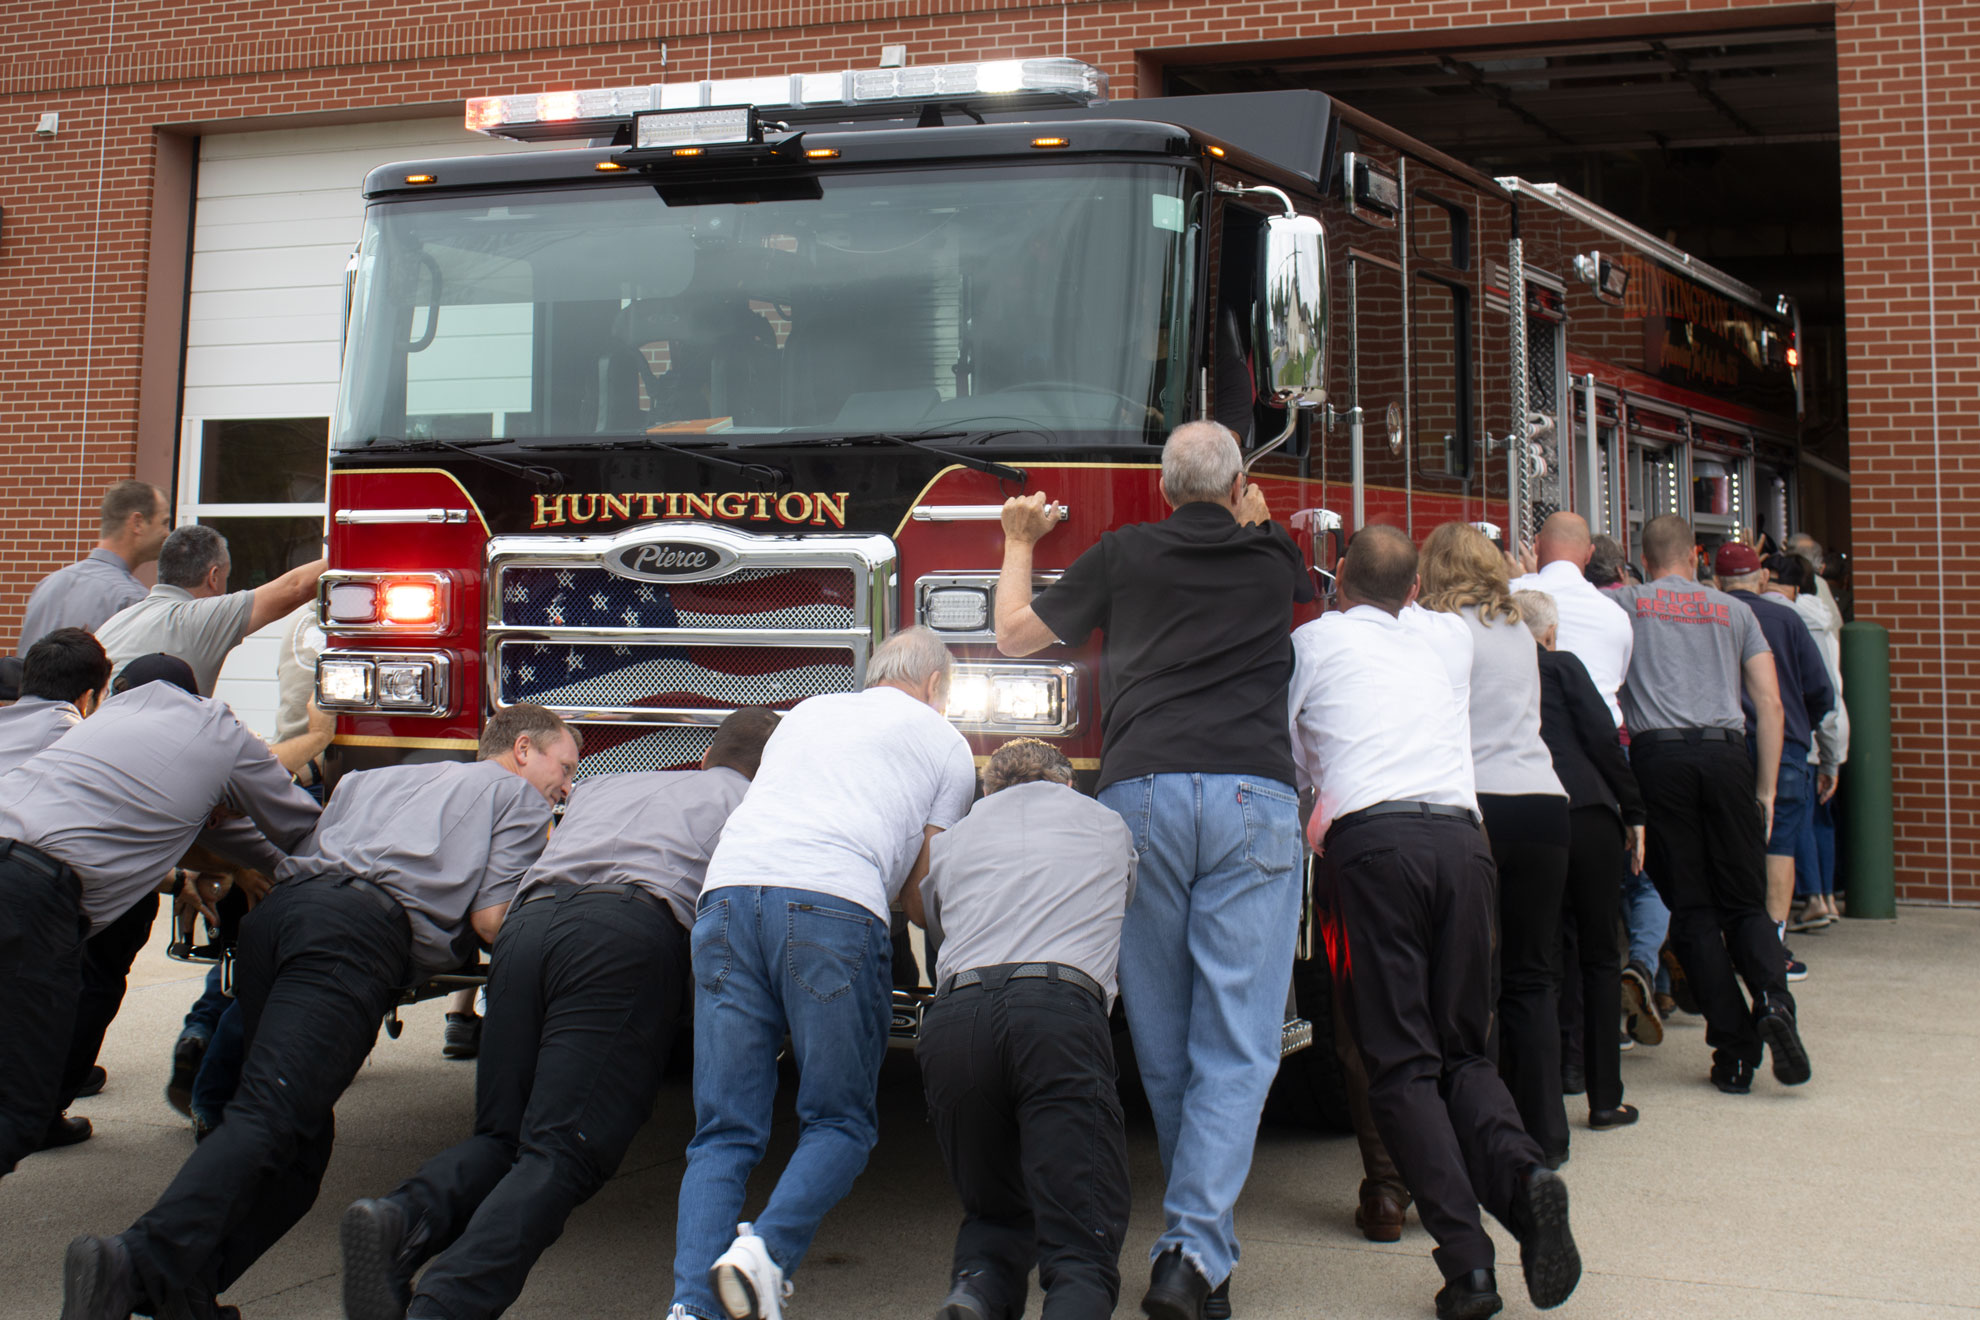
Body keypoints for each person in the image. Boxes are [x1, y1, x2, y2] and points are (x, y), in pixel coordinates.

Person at [62, 704, 575, 1320]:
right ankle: (129, 1261)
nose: (566, 785)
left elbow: (302, 836)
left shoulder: (369, 780)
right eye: (565, 766)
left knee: (300, 1151)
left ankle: (182, 1292)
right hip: (351, 941)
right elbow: (493, 922)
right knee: (270, 1116)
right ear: (523, 749)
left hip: (279, 923)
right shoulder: (518, 800)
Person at [993, 420, 1312, 1320]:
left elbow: (1016, 635)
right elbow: (1289, 573)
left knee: (1164, 1041)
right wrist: (1259, 519)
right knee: (1240, 1038)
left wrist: (1019, 541)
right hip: (1252, 798)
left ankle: (1196, 1251)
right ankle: (1192, 1252)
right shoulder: (1271, 558)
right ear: (1239, 486)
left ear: (1165, 489)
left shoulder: (1125, 550)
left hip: (1138, 799)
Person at [342, 707, 780, 1320]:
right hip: (622, 934)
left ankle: (400, 1220)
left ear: (705, 757)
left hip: (526, 928)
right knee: (564, 1150)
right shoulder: (759, 807)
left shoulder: (610, 783)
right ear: (775, 772)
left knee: (501, 1135)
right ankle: (447, 1305)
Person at [1290, 525, 1579, 1320]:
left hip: (1373, 848)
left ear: (1338, 580)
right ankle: (1522, 1183)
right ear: (1415, 590)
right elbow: (1446, 597)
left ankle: (1469, 1265)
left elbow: (1292, 753)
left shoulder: (1313, 646)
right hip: (1463, 841)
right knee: (1465, 1055)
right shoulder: (1449, 640)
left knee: (1401, 1066)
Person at [668, 628, 975, 1320]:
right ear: (935, 688)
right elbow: (922, 892)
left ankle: (690, 1307)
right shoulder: (944, 743)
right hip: (832, 909)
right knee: (838, 1121)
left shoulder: (805, 712)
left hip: (725, 899)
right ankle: (765, 1253)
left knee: (722, 1132)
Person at [0, 658, 321, 1180]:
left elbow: (213, 833)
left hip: (17, 866)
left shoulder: (100, 722)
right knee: (17, 1106)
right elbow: (299, 832)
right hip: (32, 898)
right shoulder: (219, 727)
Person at [911, 738, 1138, 1320]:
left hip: (956, 1021)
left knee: (994, 1209)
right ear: (1067, 784)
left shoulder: (954, 840)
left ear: (988, 792)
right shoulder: (1108, 825)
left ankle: (977, 1292)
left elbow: (935, 920)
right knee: (1080, 1240)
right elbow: (1123, 898)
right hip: (1057, 1012)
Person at [1612, 515, 1808, 1095]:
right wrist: (1765, 791)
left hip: (1660, 760)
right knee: (1745, 902)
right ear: (1696, 556)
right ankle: (1774, 1000)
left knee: (1694, 913)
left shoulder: (1626, 606)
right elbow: (1769, 704)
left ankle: (1735, 1050)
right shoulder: (1736, 611)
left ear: (1644, 559)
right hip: (1727, 759)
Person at [1420, 523, 1573, 1167]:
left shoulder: (1441, 630)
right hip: (1545, 801)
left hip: (1482, 810)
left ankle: (1484, 1134)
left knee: (1469, 984)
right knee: (1533, 977)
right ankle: (1545, 1134)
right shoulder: (1517, 626)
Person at [1515, 590, 1646, 1131]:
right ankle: (1605, 1098)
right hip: (1589, 812)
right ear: (1549, 635)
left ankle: (1541, 1109)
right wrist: (1635, 810)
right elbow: (1601, 738)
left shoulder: (1495, 674)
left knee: (1537, 964)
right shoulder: (1564, 665)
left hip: (1528, 817)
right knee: (1599, 955)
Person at [1716, 543, 1834, 981]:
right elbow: (1821, 690)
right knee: (1779, 843)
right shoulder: (1787, 618)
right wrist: (1807, 723)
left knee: (1728, 844)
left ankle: (1732, 946)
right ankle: (1773, 947)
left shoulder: (1710, 613)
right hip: (1786, 746)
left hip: (1723, 744)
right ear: (1761, 578)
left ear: (1715, 580)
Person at [94, 524, 327, 695]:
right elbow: (296, 588)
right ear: (214, 577)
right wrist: (353, 548)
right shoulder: (197, 618)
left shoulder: (115, 623)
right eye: (226, 578)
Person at [1771, 551, 1849, 927]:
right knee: (1821, 816)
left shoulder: (1791, 619)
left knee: (1799, 815)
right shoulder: (1823, 617)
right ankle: (1828, 898)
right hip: (1826, 723)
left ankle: (1814, 896)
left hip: (1805, 727)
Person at [15, 481, 170, 655]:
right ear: (138, 523)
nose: (168, 533)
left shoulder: (47, 584)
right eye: (164, 523)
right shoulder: (132, 599)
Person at [1509, 514, 1635, 726]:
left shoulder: (1510, 597)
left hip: (1533, 733)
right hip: (1600, 742)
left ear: (1537, 546)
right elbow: (1618, 680)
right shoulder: (1616, 615)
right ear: (1589, 554)